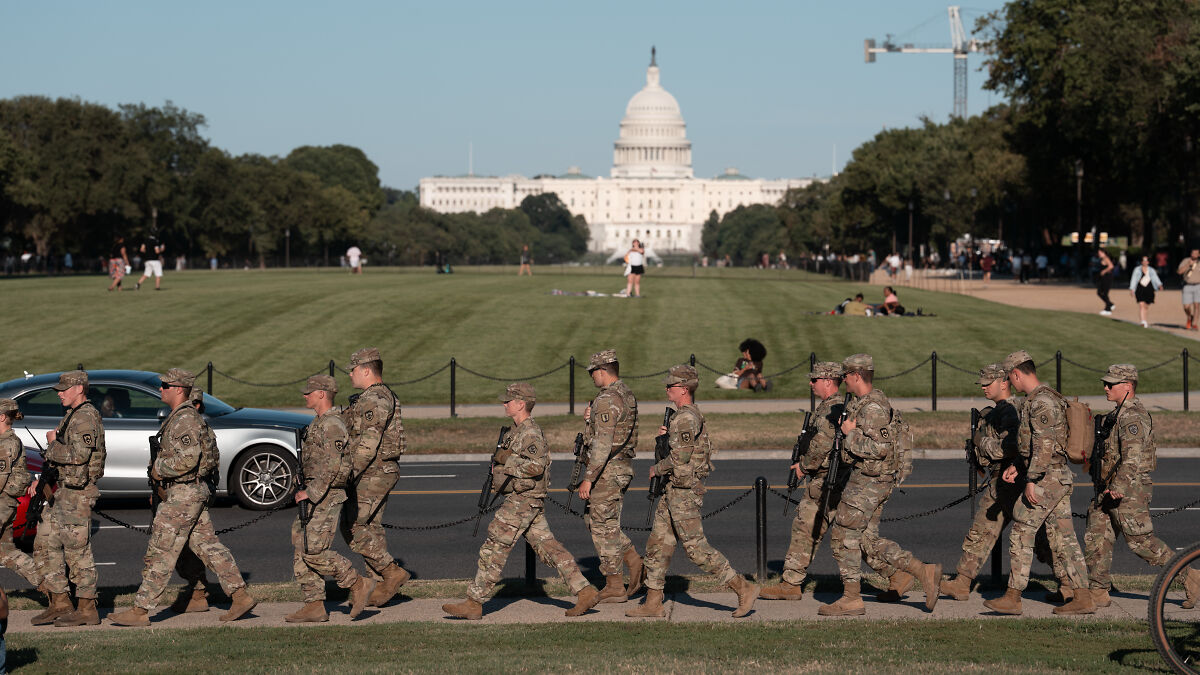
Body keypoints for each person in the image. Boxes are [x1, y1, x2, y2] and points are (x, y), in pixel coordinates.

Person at [109, 369, 256, 626]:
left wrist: (158, 469)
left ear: (179, 389)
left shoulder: (185, 420)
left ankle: (140, 610)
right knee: (206, 546)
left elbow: (189, 459)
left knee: (161, 551)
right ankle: (240, 595)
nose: (161, 388)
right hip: (187, 492)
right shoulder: (180, 417)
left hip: (184, 493)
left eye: (166, 385)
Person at [443, 383, 601, 620]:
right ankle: (585, 590)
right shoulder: (513, 431)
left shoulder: (530, 433)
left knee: (495, 546)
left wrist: (508, 463)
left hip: (523, 500)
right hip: (522, 500)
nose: (504, 404)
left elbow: (537, 467)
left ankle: (474, 602)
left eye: (509, 400)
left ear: (521, 404)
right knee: (550, 548)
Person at [626, 365, 758, 618]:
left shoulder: (686, 418)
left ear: (684, 389)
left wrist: (657, 468)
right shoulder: (681, 417)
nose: (667, 389)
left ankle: (743, 587)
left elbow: (681, 457)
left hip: (684, 492)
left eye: (671, 386)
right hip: (673, 490)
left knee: (696, 549)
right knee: (658, 545)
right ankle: (653, 602)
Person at [820, 354, 940, 616]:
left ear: (856, 376)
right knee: (865, 540)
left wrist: (849, 435)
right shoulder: (864, 404)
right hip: (873, 480)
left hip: (869, 481)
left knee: (843, 536)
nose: (843, 381)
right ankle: (919, 571)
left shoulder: (873, 409)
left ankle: (851, 598)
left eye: (846, 376)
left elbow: (880, 448)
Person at [982, 351, 1094, 615]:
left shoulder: (1041, 402)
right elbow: (1033, 446)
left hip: (1048, 478)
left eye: (1011, 378)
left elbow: (1043, 447)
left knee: (1022, 529)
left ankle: (1012, 597)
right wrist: (1017, 466)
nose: (1011, 384)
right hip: (1053, 475)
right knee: (1065, 539)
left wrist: (1031, 480)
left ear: (1017, 374)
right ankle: (1083, 596)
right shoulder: (1043, 398)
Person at [1084, 365, 1200, 609]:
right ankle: (1098, 590)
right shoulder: (1117, 414)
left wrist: (1119, 486)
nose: (1105, 387)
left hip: (1129, 489)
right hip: (1107, 488)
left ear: (1128, 386)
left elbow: (1133, 457)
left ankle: (1189, 576)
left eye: (1111, 384)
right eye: (1105, 383)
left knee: (1141, 543)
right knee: (1097, 535)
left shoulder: (1133, 416)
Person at [758, 362, 846, 601]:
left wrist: (803, 467)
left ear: (828, 381)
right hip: (830, 479)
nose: (810, 384)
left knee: (805, 528)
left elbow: (823, 443)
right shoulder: (829, 406)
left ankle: (790, 584)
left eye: (814, 380)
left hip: (827, 480)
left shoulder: (833, 407)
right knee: (852, 536)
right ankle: (901, 574)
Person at [286, 375, 369, 623]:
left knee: (313, 551)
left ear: (322, 394)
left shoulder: (332, 424)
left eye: (309, 392)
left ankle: (357, 583)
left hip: (326, 496)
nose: (305, 396)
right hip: (315, 493)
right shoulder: (318, 422)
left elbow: (334, 467)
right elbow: (315, 462)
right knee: (301, 546)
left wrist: (309, 493)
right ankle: (314, 604)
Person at [27, 371, 105, 627]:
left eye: (64, 389)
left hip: (76, 493)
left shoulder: (85, 417)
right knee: (44, 543)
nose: (59, 393)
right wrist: (44, 479)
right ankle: (59, 601)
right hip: (60, 490)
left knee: (77, 552)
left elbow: (79, 455)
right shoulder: (72, 415)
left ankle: (87, 608)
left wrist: (52, 445)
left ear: (79, 389)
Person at [342, 347, 411, 607]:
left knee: (352, 527)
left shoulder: (376, 398)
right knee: (371, 528)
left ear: (367, 370)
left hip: (374, 471)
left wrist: (348, 474)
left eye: (353, 369)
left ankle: (391, 571)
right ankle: (378, 587)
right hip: (378, 470)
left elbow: (368, 443)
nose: (350, 374)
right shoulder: (372, 396)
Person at [577, 349, 644, 603]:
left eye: (593, 372)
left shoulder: (606, 399)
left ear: (602, 371)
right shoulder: (625, 393)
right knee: (596, 521)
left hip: (608, 469)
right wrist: (590, 419)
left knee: (603, 527)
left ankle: (615, 584)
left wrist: (589, 477)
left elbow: (603, 443)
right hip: (619, 467)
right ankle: (634, 563)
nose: (592, 377)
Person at [0, 400, 42, 592]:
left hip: (2, 504)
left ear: (1, 417)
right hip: (5, 503)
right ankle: (51, 587)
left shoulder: (7, 443)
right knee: (6, 552)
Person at [1129, 255, 1163, 328]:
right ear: (1141, 261)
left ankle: (1145, 319)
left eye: (1146, 260)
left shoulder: (1151, 270)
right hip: (1140, 288)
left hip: (1149, 289)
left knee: (1146, 306)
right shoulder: (1137, 270)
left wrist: (1159, 285)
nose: (1145, 262)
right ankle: (1143, 321)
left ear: (1148, 262)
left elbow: (1155, 278)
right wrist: (1132, 289)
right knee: (1141, 305)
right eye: (1143, 260)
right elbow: (1134, 279)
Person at [1177, 249, 1200, 330]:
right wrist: (1188, 265)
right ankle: (1189, 317)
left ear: (1198, 255)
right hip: (1187, 285)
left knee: (1197, 305)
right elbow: (1179, 272)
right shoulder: (1186, 260)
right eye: (1192, 253)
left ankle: (1194, 324)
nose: (1194, 254)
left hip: (1198, 285)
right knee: (1186, 306)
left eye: (1196, 253)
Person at [1097, 249, 1116, 315]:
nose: (1099, 254)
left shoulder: (1106, 258)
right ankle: (1110, 304)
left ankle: (1108, 309)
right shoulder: (1102, 259)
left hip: (1107, 278)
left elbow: (1111, 266)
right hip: (1103, 278)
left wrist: (1104, 271)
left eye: (1100, 253)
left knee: (1105, 293)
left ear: (1104, 253)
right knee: (1099, 292)